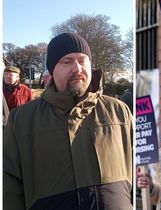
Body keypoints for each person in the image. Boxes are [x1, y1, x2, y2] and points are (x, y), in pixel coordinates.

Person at [3, 33, 133, 210]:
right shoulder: (21, 120)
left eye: (83, 60)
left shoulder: (119, 111)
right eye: (67, 61)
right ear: (51, 69)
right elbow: (8, 189)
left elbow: (137, 168)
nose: (77, 68)